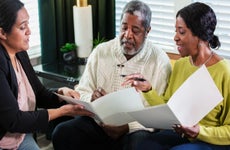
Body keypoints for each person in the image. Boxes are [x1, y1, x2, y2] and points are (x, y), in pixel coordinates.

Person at [52, 0, 172, 149]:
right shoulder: (101, 52)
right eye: (124, 27)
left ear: (147, 31)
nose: (127, 35)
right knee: (62, 132)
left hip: (135, 130)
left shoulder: (160, 61)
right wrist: (92, 99)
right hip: (99, 123)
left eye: (135, 30)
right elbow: (81, 91)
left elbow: (157, 113)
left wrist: (127, 127)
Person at [122, 2, 230, 150]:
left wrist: (199, 131)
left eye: (181, 32)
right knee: (145, 145)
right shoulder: (181, 65)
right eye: (176, 31)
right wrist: (147, 90)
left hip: (211, 141)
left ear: (199, 34)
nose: (175, 38)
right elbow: (169, 109)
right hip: (181, 134)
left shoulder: (225, 72)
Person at [0, 0, 93, 149]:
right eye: (22, 27)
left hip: (20, 137)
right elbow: (14, 121)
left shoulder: (20, 54)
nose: (29, 31)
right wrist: (62, 111)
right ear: (2, 33)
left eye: (28, 24)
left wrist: (61, 93)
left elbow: (39, 93)